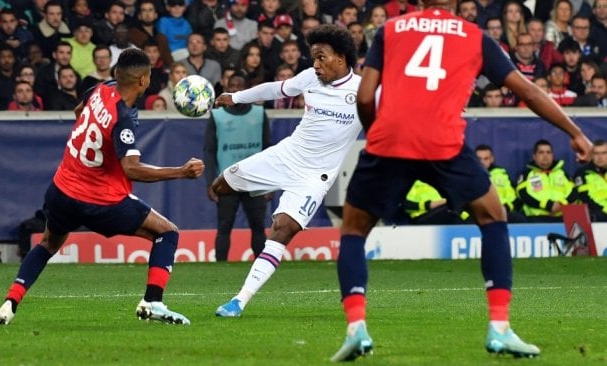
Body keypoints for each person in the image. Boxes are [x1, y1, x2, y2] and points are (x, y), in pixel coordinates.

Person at [330, 0, 593, 361]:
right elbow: (528, 91)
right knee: (493, 217)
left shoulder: (391, 29)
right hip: (443, 143)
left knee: (353, 232)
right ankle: (499, 328)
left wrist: (379, 132)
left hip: (390, 140)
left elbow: (364, 95)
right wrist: (575, 133)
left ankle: (356, 328)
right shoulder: (474, 36)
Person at [0, 48, 205, 326]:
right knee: (167, 232)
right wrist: (181, 172)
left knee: (48, 243)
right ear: (143, 81)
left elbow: (79, 110)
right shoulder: (123, 118)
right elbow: (132, 168)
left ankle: (10, 303)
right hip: (101, 201)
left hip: (62, 190)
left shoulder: (102, 88)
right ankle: (153, 302)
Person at [210, 24, 361, 317]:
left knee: (282, 230)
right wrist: (236, 96)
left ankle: (238, 301)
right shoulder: (309, 78)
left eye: (321, 58)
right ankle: (266, 188)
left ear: (341, 58)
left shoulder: (363, 92)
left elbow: (398, 112)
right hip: (285, 156)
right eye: (313, 58)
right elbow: (274, 89)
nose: (315, 65)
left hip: (314, 177)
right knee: (220, 186)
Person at [204, 73, 271, 261]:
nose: (235, 89)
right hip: (227, 180)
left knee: (258, 227)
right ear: (227, 87)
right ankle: (220, 271)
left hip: (255, 180)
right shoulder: (217, 116)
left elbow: (268, 149)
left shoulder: (259, 113)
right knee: (224, 227)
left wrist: (271, 182)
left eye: (240, 85)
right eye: (232, 85)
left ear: (247, 88)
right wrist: (210, 182)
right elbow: (209, 150)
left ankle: (262, 268)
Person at [516, 139, 577, 222]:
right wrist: (548, 205)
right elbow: (523, 194)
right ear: (534, 156)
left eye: (548, 152)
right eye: (541, 152)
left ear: (552, 155)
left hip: (562, 217)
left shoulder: (562, 173)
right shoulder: (526, 174)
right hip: (536, 219)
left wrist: (561, 204)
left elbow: (573, 192)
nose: (545, 155)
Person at [475, 144, 526, 223]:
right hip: (479, 214)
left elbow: (512, 198)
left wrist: (506, 208)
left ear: (492, 159)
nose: (482, 162)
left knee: (519, 219)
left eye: (486, 159)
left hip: (502, 211)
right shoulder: (469, 176)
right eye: (479, 159)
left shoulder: (502, 174)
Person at [573, 139, 607, 222]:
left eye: (604, 153)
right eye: (596, 154)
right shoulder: (582, 173)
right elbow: (585, 198)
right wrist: (605, 209)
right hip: (597, 215)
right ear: (592, 155)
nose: (600, 157)